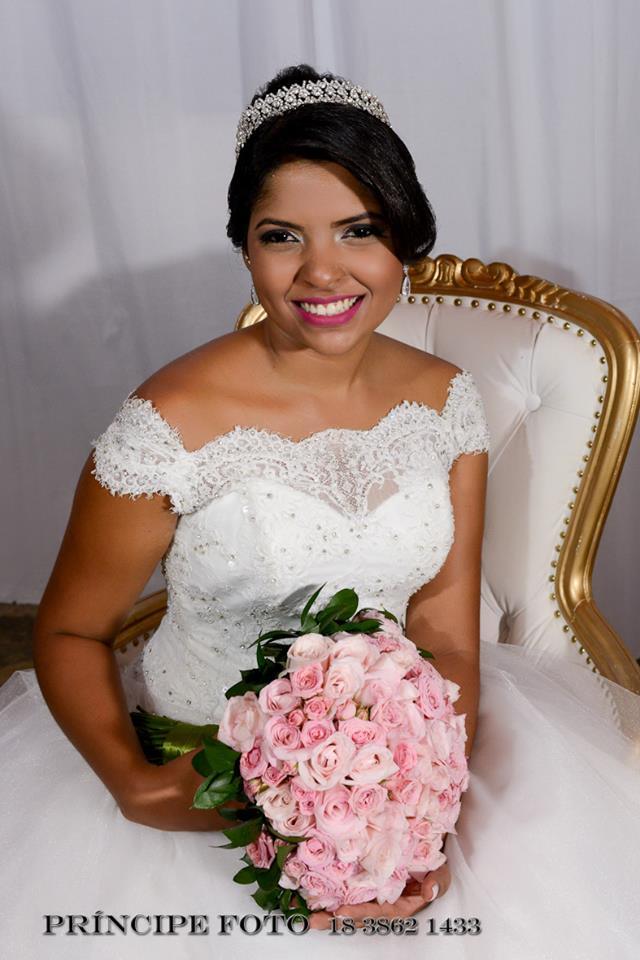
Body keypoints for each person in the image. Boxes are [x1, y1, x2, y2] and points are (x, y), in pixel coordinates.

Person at [1, 63, 639, 960]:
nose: (322, 271)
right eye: (282, 237)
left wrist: (412, 813)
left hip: (394, 771)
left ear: (402, 238)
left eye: (358, 230)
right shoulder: (168, 423)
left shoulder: (446, 402)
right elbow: (70, 631)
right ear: (245, 248)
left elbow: (443, 634)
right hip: (192, 771)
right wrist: (135, 786)